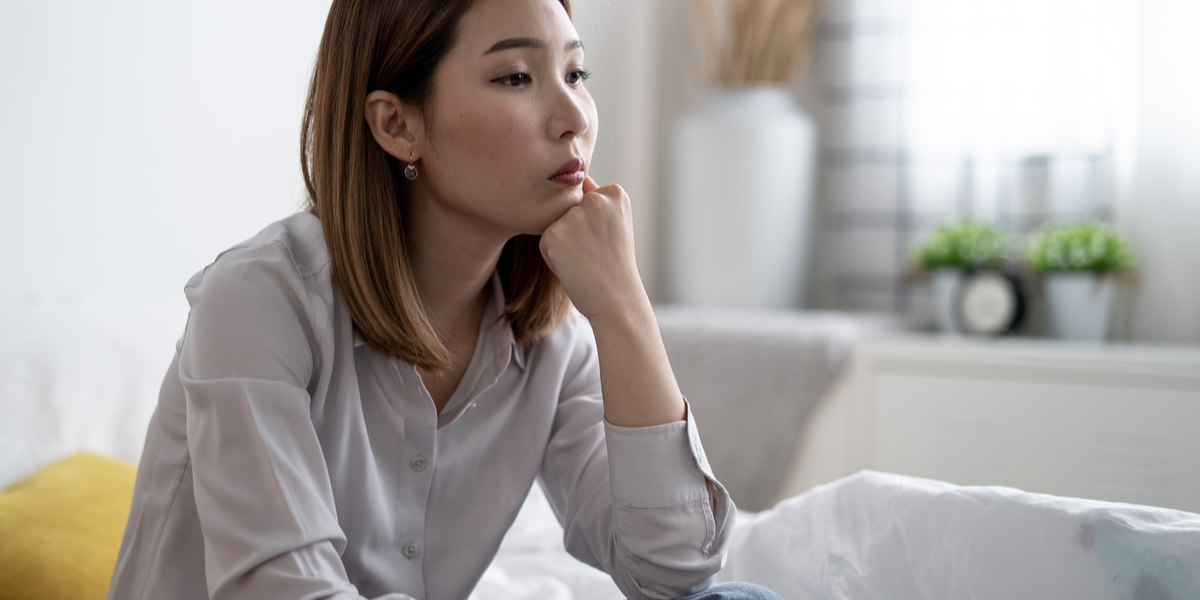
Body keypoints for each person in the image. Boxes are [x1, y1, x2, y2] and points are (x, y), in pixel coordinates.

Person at [108, 1, 782, 599]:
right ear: (398, 126)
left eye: (576, 74)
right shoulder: (258, 304)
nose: (574, 115)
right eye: (515, 76)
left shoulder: (548, 340)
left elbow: (674, 572)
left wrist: (623, 306)